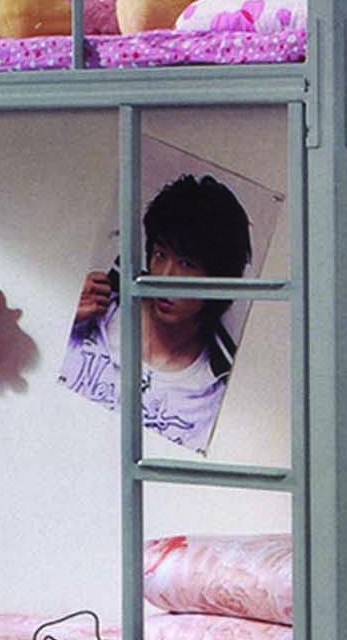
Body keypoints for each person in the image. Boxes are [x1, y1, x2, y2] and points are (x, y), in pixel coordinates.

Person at [59, 174, 253, 453]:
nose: (165, 276)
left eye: (187, 263)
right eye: (160, 254)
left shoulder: (211, 399)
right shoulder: (90, 312)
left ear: (219, 281)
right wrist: (61, 315)